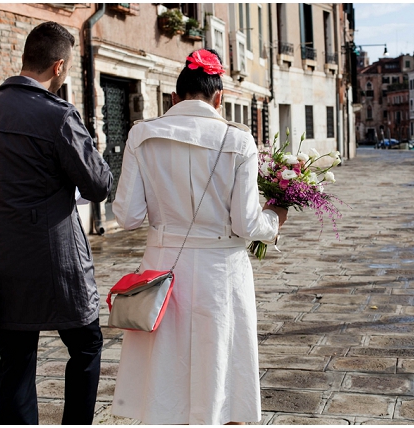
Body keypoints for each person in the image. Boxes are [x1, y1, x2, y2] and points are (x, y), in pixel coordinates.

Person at [110, 49, 287, 425]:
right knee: (219, 360)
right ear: (219, 98)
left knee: (164, 366)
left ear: (174, 97)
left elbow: (127, 217)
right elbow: (246, 223)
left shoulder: (141, 135)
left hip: (161, 272)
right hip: (219, 273)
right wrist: (275, 218)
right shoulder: (239, 141)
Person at [0, 21, 113, 424]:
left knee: (16, 360)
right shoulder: (57, 116)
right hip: (56, 264)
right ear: (58, 66)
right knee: (88, 346)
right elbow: (97, 186)